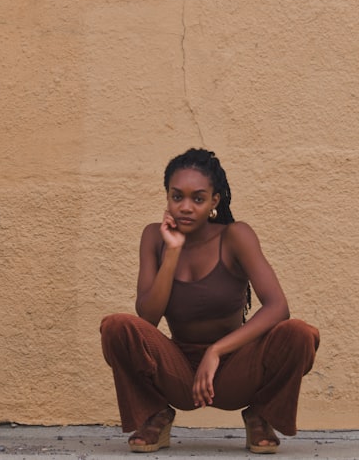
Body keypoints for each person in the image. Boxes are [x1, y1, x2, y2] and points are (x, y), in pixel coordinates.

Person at [100, 148, 320, 454]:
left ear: (214, 201)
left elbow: (277, 306)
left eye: (198, 198)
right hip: (177, 372)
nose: (186, 207)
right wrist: (173, 251)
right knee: (116, 326)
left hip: (235, 370)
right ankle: (155, 414)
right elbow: (147, 317)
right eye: (177, 197)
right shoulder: (154, 237)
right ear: (167, 197)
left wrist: (216, 351)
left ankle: (260, 414)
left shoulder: (235, 236)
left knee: (300, 334)